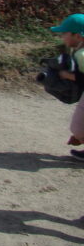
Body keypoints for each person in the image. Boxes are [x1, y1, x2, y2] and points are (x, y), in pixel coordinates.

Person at [50, 13, 84, 160]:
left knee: (78, 127)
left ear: (78, 36)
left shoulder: (82, 54)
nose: (62, 36)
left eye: (65, 33)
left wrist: (67, 75)